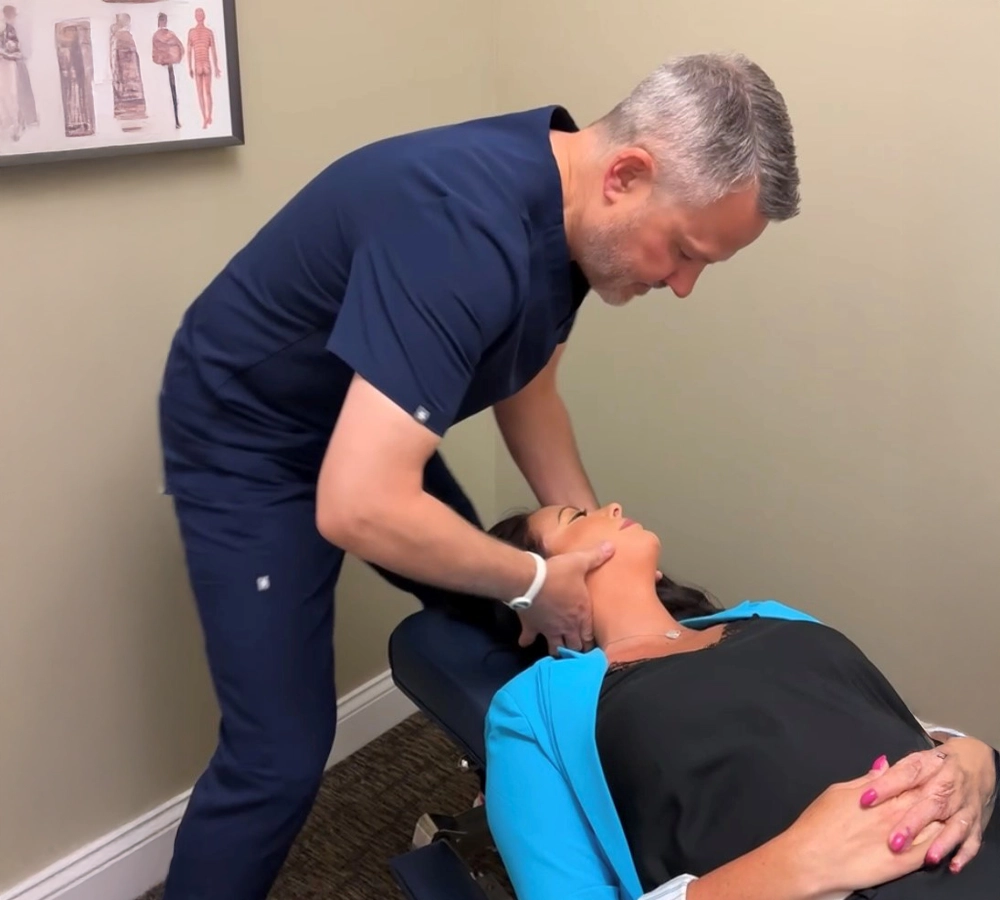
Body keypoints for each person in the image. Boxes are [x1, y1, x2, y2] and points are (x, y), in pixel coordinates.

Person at [157, 52, 800, 898]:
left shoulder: (569, 217)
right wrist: (535, 576)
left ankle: (537, 826)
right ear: (627, 175)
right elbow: (357, 505)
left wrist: (589, 561)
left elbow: (529, 397)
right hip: (253, 434)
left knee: (509, 614)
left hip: (365, 428)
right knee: (277, 754)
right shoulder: (460, 229)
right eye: (684, 252)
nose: (682, 286)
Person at [484, 502, 1000, 899]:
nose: (612, 507)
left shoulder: (770, 616)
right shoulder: (533, 709)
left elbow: (882, 723)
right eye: (575, 516)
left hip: (977, 834)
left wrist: (969, 755)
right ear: (532, 583)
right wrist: (801, 862)